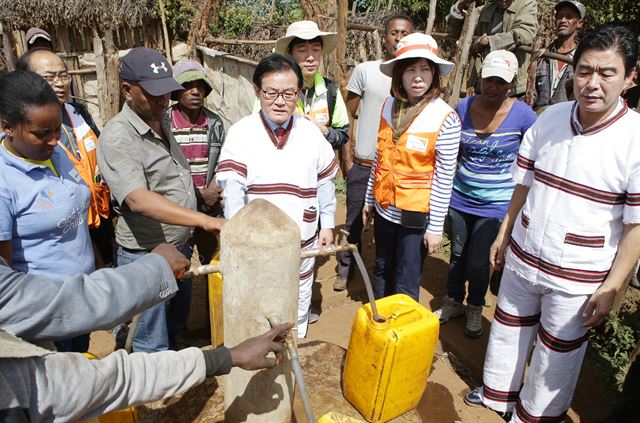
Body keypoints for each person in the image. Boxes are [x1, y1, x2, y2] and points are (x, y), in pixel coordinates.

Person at [464, 26, 640, 422]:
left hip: (579, 276)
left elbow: (636, 225)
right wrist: (504, 232)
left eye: (607, 73)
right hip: (525, 254)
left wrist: (613, 285)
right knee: (508, 328)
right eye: (584, 71)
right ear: (573, 71)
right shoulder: (550, 118)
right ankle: (497, 397)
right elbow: (523, 184)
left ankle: (534, 415)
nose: (592, 83)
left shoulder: (635, 140)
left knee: (556, 353)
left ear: (630, 78)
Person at [97, 48, 224, 353]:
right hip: (147, 252)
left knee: (173, 321)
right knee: (149, 337)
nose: (163, 100)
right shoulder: (118, 137)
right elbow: (139, 199)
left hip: (179, 244)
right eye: (154, 94)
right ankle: (152, 392)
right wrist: (206, 220)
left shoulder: (161, 119)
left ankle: (174, 364)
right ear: (128, 91)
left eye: (166, 93)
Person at [216, 54, 338, 337]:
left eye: (289, 93)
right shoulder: (241, 132)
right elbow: (232, 187)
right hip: (257, 242)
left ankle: (295, 348)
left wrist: (328, 223)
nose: (280, 101)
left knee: (299, 291)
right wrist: (237, 231)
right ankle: (260, 357)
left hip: (303, 236)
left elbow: (326, 180)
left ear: (299, 93)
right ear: (258, 92)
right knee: (258, 296)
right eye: (271, 92)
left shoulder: (310, 133)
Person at [434, 50, 537, 338]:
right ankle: (453, 300)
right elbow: (449, 151)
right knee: (457, 254)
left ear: (511, 83)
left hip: (497, 203)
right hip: (461, 197)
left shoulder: (523, 116)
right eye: (489, 80)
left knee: (481, 261)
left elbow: (536, 157)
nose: (493, 87)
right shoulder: (462, 108)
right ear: (480, 77)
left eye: (500, 82)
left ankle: (475, 305)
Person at [0, 324, 292, 422]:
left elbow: (118, 378)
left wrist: (229, 356)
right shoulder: (16, 382)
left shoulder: (18, 379)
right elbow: (118, 379)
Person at [0, 70, 95, 353]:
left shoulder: (55, 153)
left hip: (82, 300)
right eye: (42, 133)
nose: (54, 139)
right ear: (7, 126)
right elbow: (3, 272)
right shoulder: (4, 181)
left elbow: (76, 225)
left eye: (57, 129)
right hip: (44, 316)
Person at [362, 33, 461, 301]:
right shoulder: (388, 106)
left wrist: (436, 227)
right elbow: (380, 157)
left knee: (406, 276)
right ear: (399, 75)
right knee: (382, 267)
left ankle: (403, 333)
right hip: (384, 210)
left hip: (415, 216)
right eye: (410, 70)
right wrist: (370, 199)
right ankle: (381, 322)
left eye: (425, 70)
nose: (418, 78)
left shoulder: (444, 118)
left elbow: (443, 179)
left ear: (434, 75)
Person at [335, 13, 414, 292]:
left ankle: (384, 274)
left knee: (388, 228)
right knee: (354, 220)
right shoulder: (366, 71)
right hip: (365, 162)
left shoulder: (416, 80)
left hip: (398, 170)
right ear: (385, 36)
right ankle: (345, 267)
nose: (399, 38)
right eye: (394, 33)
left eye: (405, 33)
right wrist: (347, 157)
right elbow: (347, 115)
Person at [16, 48, 113, 265]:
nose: (60, 83)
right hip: (63, 229)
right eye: (49, 77)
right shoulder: (20, 134)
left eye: (63, 75)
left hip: (98, 217)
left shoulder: (79, 113)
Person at [0, 244, 191, 341]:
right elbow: (57, 304)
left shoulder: (62, 167)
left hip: (80, 291)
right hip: (56, 306)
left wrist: (97, 264)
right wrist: (156, 268)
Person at [168, 60, 225, 264]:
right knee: (179, 260)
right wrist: (197, 194)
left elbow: (223, 161)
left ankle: (212, 296)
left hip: (208, 205)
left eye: (200, 86)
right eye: (188, 86)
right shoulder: (165, 122)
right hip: (177, 206)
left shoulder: (214, 123)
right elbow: (164, 168)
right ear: (176, 91)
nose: (195, 91)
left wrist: (212, 188)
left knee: (213, 258)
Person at [272, 20, 350, 150]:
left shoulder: (330, 90)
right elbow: (258, 130)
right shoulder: (272, 90)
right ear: (290, 54)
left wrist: (324, 131)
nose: (310, 57)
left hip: (318, 169)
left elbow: (342, 135)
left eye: (316, 49)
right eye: (302, 50)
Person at [447, 0, 538, 97]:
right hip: (484, 82)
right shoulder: (487, 9)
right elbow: (461, 32)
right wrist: (459, 8)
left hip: (510, 87)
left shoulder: (526, 5)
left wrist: (490, 41)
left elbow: (524, 33)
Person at [534, 1, 586, 110]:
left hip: (567, 121)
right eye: (560, 16)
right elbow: (532, 92)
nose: (563, 20)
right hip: (540, 120)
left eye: (569, 17)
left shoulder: (583, 59)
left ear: (579, 23)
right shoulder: (542, 56)